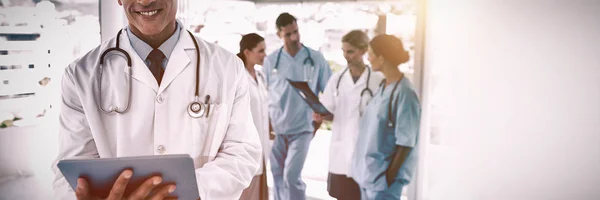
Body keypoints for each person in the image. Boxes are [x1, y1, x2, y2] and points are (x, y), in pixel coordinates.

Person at [51, 0, 261, 199]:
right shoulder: (80, 75)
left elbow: (242, 152)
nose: (145, 1)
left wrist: (191, 190)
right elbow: (71, 170)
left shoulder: (227, 67)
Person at [262, 12, 332, 200]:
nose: (294, 37)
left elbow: (331, 92)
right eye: (288, 34)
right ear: (279, 35)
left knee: (291, 176)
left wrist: (323, 113)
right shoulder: (271, 61)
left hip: (303, 128)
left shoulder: (316, 59)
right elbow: (264, 94)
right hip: (276, 129)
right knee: (276, 176)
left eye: (296, 32)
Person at [348, 34, 421, 200]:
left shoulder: (405, 93)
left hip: (383, 181)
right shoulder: (383, 86)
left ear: (381, 58)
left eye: (371, 54)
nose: (368, 58)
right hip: (370, 174)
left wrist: (387, 178)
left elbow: (406, 142)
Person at [317, 30, 384, 200]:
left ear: (363, 51)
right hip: (341, 152)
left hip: (366, 153)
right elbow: (327, 110)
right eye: (344, 51)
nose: (346, 56)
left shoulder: (377, 80)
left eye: (351, 51)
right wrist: (320, 114)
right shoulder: (337, 79)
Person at [236, 33, 269, 200]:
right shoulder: (237, 76)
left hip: (261, 146)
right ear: (247, 52)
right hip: (243, 149)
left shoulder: (260, 76)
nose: (264, 55)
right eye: (260, 51)